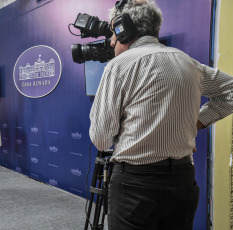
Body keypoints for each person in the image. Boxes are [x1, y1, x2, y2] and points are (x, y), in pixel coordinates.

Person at [89, 0, 233, 229]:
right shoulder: (188, 63)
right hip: (183, 181)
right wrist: (198, 122)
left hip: (135, 185)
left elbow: (101, 138)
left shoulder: (118, 66)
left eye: (113, 33)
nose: (111, 40)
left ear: (124, 30)